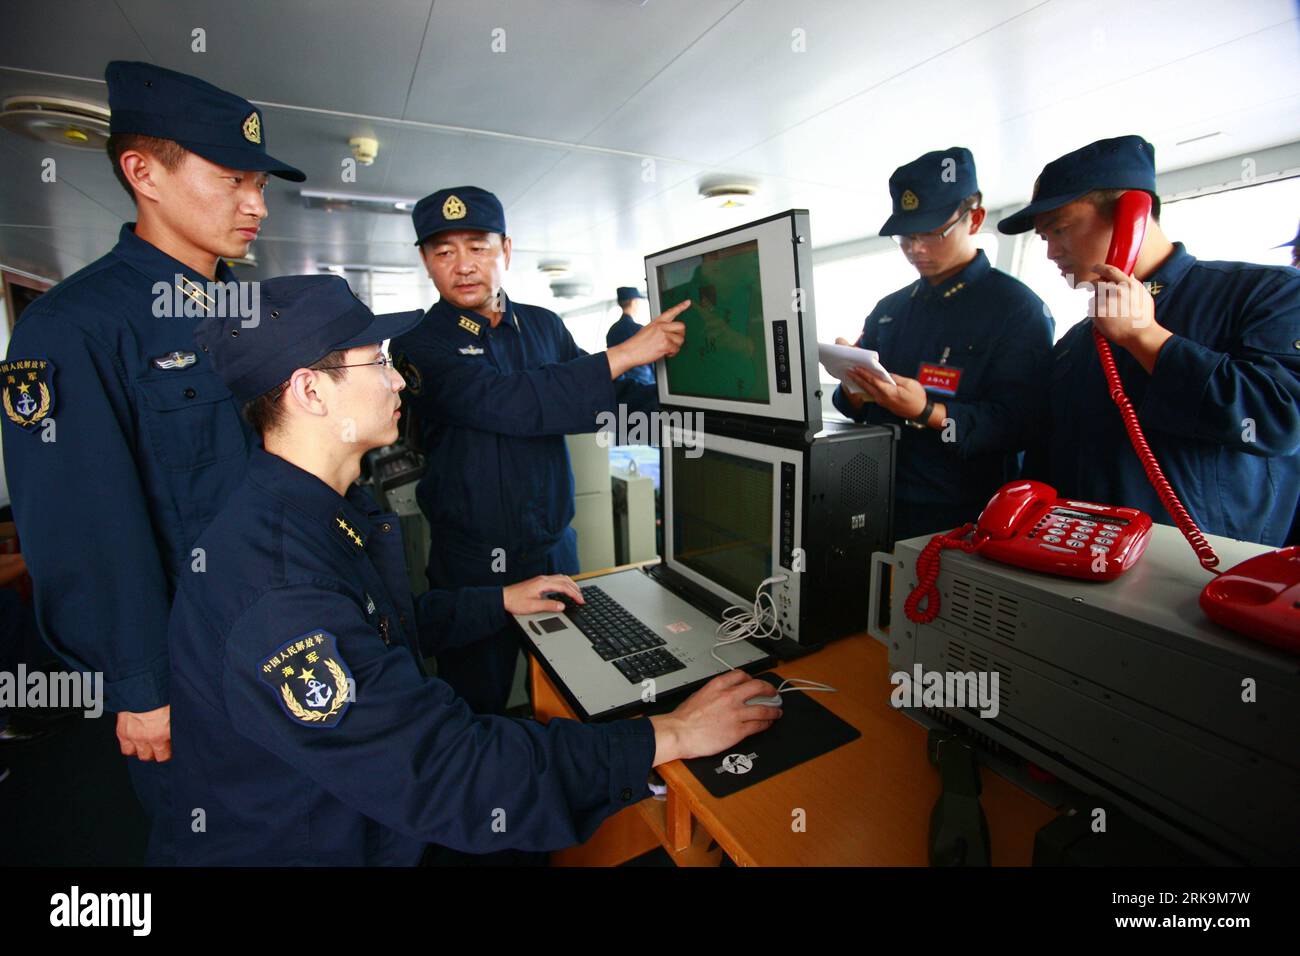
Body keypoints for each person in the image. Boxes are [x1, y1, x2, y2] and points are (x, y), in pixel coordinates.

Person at [168, 274, 779, 865]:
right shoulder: (280, 589)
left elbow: (378, 630)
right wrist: (668, 735)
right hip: (339, 843)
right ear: (310, 392)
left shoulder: (307, 511)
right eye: (378, 362)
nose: (398, 382)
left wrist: (497, 601)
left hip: (361, 811)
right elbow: (445, 772)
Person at [0, 60, 304, 862]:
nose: (257, 205)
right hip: (197, 673)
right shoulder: (73, 330)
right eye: (233, 178)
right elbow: (82, 531)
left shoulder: (253, 309)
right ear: (143, 172)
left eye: (262, 183)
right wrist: (140, 689)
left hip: (297, 633)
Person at [391, 186, 687, 714]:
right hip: (472, 567)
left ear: (505, 250)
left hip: (554, 550)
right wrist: (623, 353)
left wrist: (695, 415)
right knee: (473, 704)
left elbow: (605, 404)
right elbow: (508, 404)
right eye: (444, 252)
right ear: (425, 262)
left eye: (478, 248)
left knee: (569, 692)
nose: (463, 266)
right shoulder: (418, 342)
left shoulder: (544, 325)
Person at [999, 134, 1300, 547]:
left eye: (1059, 229)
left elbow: (1278, 422)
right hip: (1079, 560)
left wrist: (1148, 339)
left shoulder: (1268, 293)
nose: (1051, 252)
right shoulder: (1075, 343)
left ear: (1132, 214)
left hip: (1203, 569)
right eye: (1044, 237)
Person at [832, 147, 1054, 541]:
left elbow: (1018, 425)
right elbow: (849, 406)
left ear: (976, 218)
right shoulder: (891, 309)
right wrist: (854, 386)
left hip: (958, 518)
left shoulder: (1015, 310)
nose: (915, 249)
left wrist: (928, 411)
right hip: (874, 499)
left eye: (932, 233)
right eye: (905, 236)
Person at [606, 286, 656, 385]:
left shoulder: (612, 331)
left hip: (621, 384)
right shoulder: (638, 329)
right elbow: (651, 357)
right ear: (633, 302)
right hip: (644, 383)